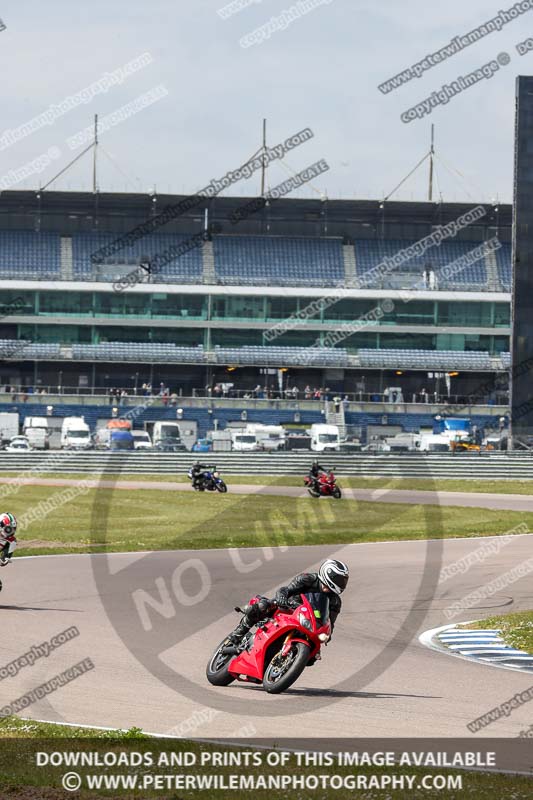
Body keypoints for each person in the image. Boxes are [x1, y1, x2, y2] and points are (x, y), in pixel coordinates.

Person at [226, 559, 349, 645]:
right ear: (328, 574)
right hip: (288, 607)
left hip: (307, 621)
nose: (341, 583)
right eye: (339, 579)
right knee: (262, 606)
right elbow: (286, 589)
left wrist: (328, 635)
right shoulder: (307, 579)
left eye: (343, 581)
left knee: (314, 653)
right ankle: (238, 633)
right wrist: (281, 597)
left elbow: (330, 623)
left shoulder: (335, 601)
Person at [0, 513, 17, 590]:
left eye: (13, 528)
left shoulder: (11, 541)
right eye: (8, 529)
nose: (11, 531)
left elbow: (5, 557)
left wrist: (5, 559)